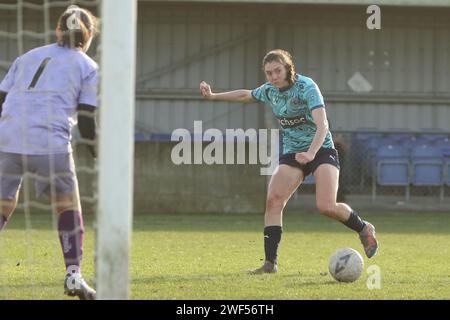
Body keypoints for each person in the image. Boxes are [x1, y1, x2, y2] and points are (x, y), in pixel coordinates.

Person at [200, 49, 378, 274]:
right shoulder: (270, 91)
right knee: (274, 200)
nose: (273, 76)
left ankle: (364, 228)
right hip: (294, 152)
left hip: (321, 149)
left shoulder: (306, 87)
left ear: (288, 68)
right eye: (269, 73)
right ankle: (269, 264)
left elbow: (322, 125)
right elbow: (246, 95)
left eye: (277, 71)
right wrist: (213, 96)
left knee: (326, 206)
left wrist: (312, 153)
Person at [0, 6, 98, 298]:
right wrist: (96, 152)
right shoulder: (88, 66)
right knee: (68, 205)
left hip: (8, 137)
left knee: (3, 205)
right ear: (89, 35)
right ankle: (73, 276)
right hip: (50, 143)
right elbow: (86, 120)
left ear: (57, 30)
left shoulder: (26, 57)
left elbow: (2, 98)